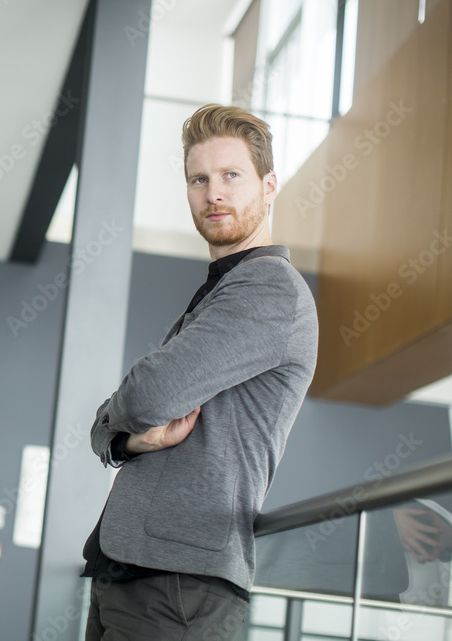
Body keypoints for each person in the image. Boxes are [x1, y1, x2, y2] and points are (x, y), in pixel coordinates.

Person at [82, 104, 319, 640]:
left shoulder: (268, 288)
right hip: (135, 570)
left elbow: (147, 396)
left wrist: (118, 418)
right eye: (199, 179)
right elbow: (111, 428)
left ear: (269, 185)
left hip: (179, 586)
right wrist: (130, 442)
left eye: (232, 175)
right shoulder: (218, 292)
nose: (214, 192)